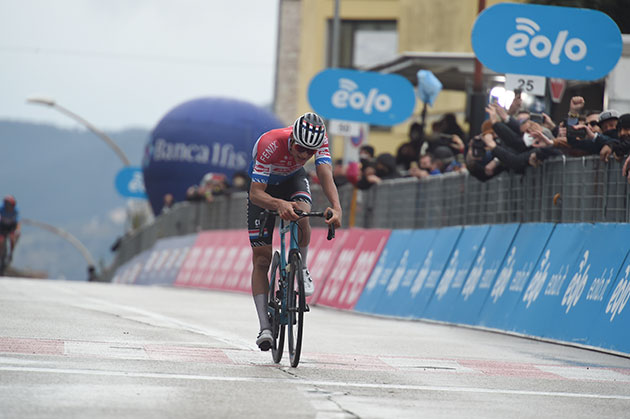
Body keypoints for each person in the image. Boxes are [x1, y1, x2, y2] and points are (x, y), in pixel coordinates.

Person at [247, 112, 342, 350]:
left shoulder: (318, 141)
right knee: (261, 260)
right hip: (265, 186)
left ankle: (303, 267)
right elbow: (255, 194)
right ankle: (265, 327)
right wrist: (278, 204)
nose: (304, 155)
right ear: (292, 139)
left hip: (293, 180)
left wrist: (337, 207)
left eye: (310, 152)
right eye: (300, 148)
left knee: (302, 214)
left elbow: (324, 172)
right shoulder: (270, 143)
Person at [0, 195, 21, 263]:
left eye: (9, 204)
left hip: (11, 226)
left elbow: (18, 222)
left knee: (12, 237)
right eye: (6, 203)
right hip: (2, 226)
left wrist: (17, 230)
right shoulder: (1, 208)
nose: (7, 206)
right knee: (1, 239)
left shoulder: (15, 210)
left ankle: (11, 251)